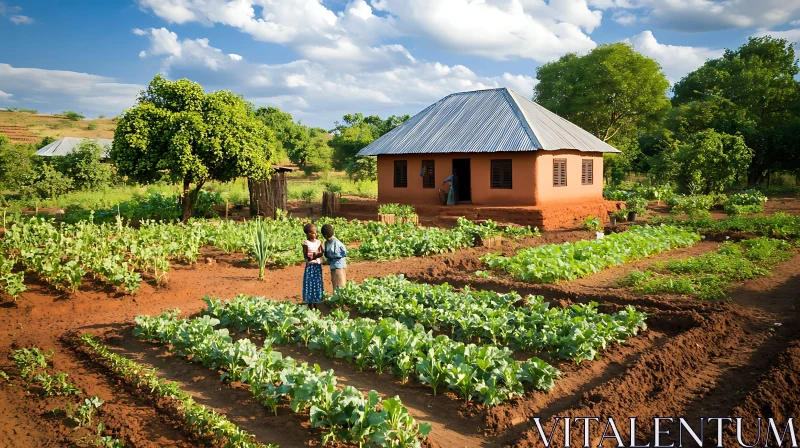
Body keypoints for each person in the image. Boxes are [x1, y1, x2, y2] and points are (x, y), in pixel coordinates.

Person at [301, 223, 324, 309]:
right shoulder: (306, 243)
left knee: (317, 282)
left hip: (317, 266)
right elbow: (306, 258)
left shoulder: (319, 242)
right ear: (307, 234)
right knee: (310, 283)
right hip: (310, 267)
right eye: (311, 232)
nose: (314, 234)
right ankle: (310, 302)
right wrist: (314, 256)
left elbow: (323, 251)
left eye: (315, 232)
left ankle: (316, 301)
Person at [321, 224, 347, 291]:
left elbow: (343, 254)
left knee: (340, 283)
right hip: (333, 266)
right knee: (335, 282)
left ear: (325, 236)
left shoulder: (336, 243)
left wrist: (331, 256)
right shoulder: (327, 243)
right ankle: (337, 297)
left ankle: (340, 298)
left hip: (339, 266)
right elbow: (327, 254)